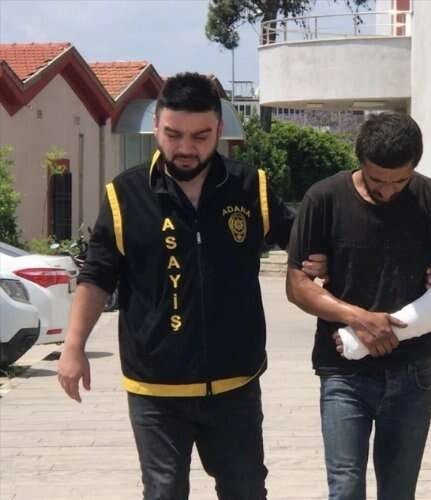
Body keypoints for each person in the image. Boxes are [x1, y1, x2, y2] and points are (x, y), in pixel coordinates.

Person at [57, 72, 325, 500]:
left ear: (219, 129)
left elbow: (300, 242)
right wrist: (73, 347)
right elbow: (97, 276)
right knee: (163, 491)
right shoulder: (124, 195)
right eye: (173, 134)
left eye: (201, 136)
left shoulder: (249, 186)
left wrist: (321, 259)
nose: (186, 148)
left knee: (246, 490)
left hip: (235, 382)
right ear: (156, 127)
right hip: (155, 386)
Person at [285, 112, 431, 500]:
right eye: (377, 181)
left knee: (398, 492)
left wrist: (384, 328)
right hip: (342, 371)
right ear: (360, 161)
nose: (387, 191)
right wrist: (359, 320)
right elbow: (297, 286)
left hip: (411, 373)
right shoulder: (324, 199)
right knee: (346, 488)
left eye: (400, 181)